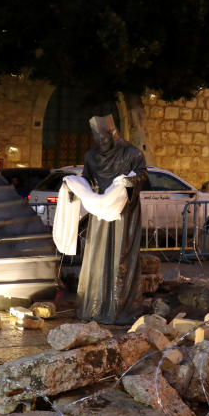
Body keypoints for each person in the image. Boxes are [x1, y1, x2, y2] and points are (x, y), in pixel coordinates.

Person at [76, 115, 148, 324]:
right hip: (100, 212)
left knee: (120, 254)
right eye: (96, 139)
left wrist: (129, 181)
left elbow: (143, 176)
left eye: (103, 139)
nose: (99, 143)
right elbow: (86, 179)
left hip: (124, 214)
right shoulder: (92, 157)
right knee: (96, 255)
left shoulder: (133, 154)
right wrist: (73, 186)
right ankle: (94, 304)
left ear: (112, 134)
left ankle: (118, 307)